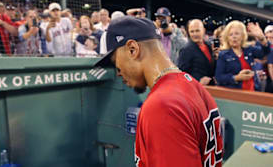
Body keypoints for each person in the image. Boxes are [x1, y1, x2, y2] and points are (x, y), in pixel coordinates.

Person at [95, 16, 223, 167]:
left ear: (132, 49)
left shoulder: (161, 106)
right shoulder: (193, 85)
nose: (118, 72)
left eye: (115, 61)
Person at [215, 20, 270, 91]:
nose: (234, 37)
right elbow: (219, 77)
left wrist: (262, 38)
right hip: (234, 94)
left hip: (252, 91)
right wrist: (237, 77)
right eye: (230, 34)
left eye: (237, 33)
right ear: (227, 38)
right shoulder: (223, 55)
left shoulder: (249, 49)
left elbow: (265, 52)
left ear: (242, 36)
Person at [178, 19, 217, 85]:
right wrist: (197, 80)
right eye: (192, 31)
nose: (194, 34)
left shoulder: (209, 46)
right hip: (195, 89)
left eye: (197, 31)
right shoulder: (186, 50)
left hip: (211, 88)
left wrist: (217, 58)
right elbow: (182, 74)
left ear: (204, 31)